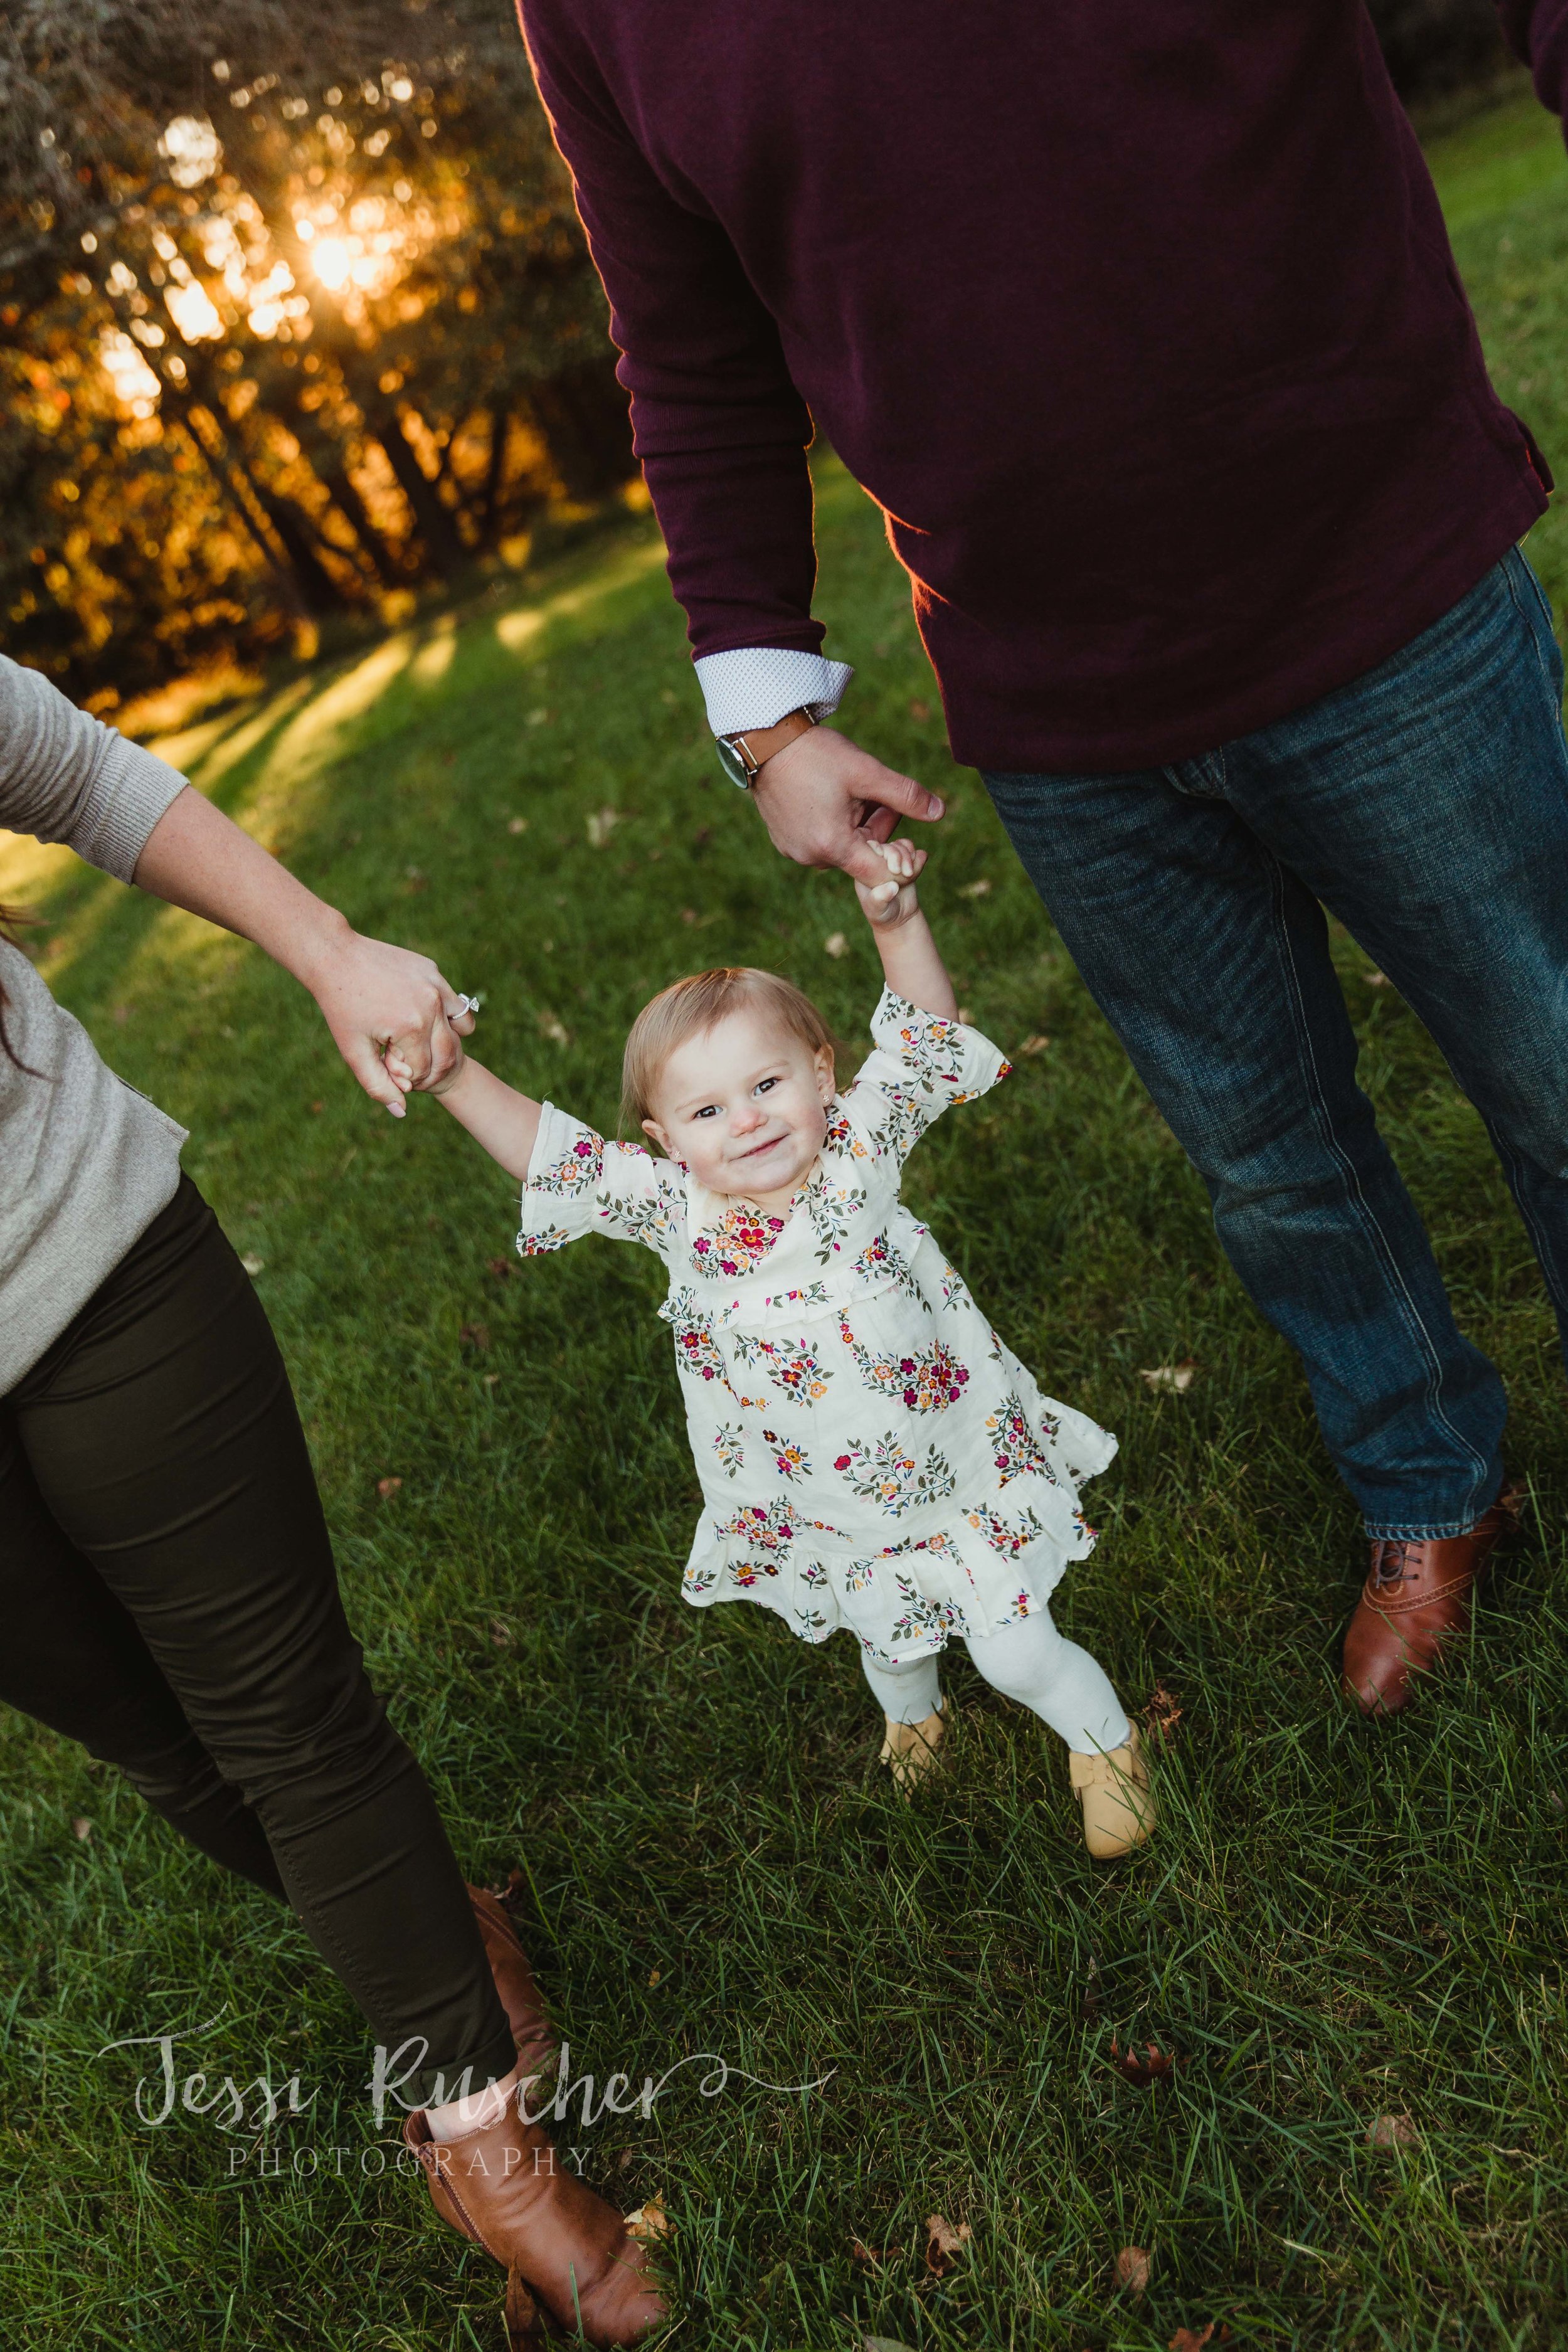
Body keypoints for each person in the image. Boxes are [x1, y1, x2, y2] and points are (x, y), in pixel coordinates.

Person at [512, 0, 1568, 1717]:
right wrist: (767, 710)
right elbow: (686, 332)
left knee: (1551, 1049)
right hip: (1054, 688)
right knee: (1265, 1149)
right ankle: (1426, 1479)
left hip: (1374, 558)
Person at [0, 655, 662, 2348]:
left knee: (285, 1718)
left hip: (75, 1246)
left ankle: (488, 2151)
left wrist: (328, 947)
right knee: (167, 1747)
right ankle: (445, 1924)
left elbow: (74, 772)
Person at [396, 834, 1155, 1858]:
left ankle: (1103, 1742)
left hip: (952, 1465)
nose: (747, 1122)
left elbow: (928, 1034)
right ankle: (915, 1715)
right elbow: (554, 1155)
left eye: (767, 1085)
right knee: (888, 1643)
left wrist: (895, 919)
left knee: (1017, 1648)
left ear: (822, 1072)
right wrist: (453, 1080)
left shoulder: (857, 1150)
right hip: (828, 1497)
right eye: (707, 1110)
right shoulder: (679, 1212)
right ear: (666, 1140)